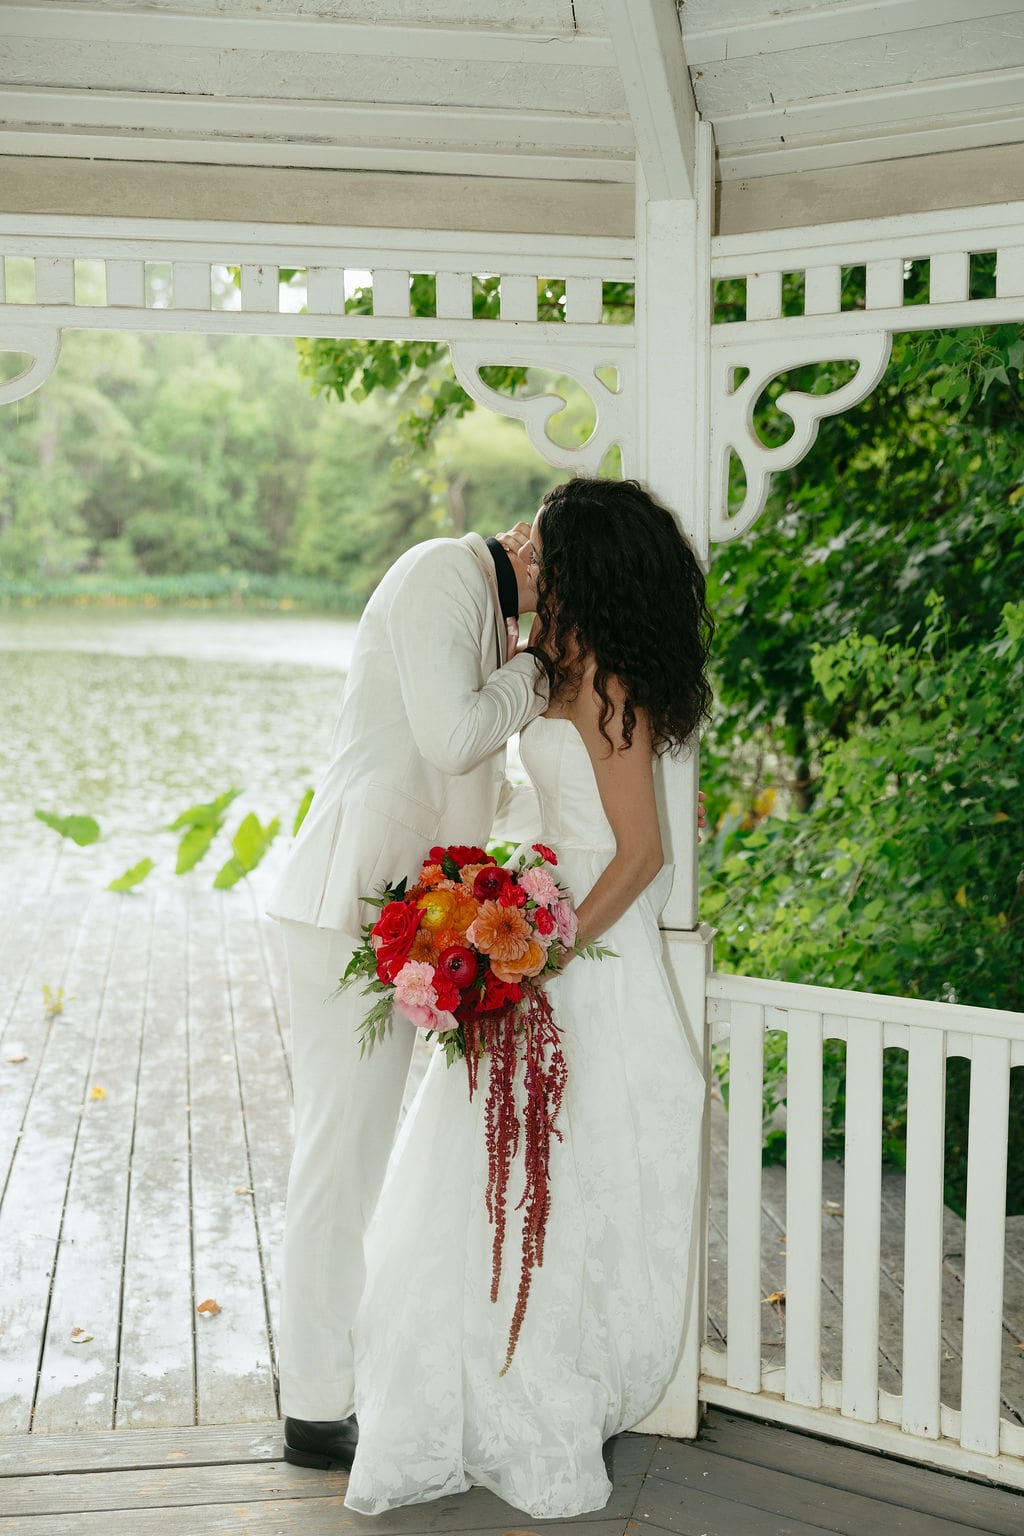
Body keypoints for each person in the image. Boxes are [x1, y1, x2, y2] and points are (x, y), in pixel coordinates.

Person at [343, 475, 715, 1520]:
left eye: (553, 554)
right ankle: (470, 1385)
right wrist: (496, 913)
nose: (536, 569)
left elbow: (643, 856)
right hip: (539, 941)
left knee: (573, 1173)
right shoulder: (551, 671)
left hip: (592, 952)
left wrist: (548, 951)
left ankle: (549, 1387)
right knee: (485, 1178)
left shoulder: (613, 690)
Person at [265, 520, 552, 1470]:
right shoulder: (445, 571)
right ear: (528, 550)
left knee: (368, 1157)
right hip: (346, 903)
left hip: (401, 914)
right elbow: (452, 733)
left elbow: (470, 784)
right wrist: (544, 668)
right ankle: (314, 1408)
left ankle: (352, 1374)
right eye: (557, 592)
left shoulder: (485, 612)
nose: (554, 617)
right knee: (339, 1157)